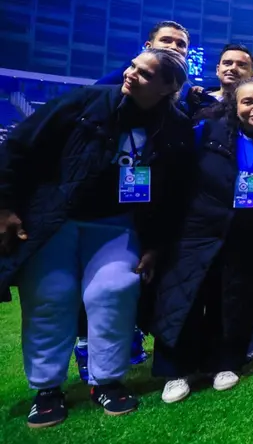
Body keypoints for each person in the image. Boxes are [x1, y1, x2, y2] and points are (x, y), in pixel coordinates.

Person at [1, 48, 193, 428]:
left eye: (145, 73)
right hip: (57, 218)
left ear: (168, 87)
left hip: (118, 223)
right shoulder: (84, 102)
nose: (131, 73)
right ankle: (47, 389)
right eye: (133, 66)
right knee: (51, 294)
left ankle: (106, 381)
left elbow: (174, 192)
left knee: (114, 289)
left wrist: (156, 244)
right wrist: (4, 206)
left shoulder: (175, 127)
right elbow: (19, 146)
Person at [149, 79, 253, 404]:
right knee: (185, 297)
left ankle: (225, 362)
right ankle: (177, 370)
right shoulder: (207, 131)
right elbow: (178, 175)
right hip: (198, 229)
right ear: (235, 106)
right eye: (248, 102)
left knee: (233, 298)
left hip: (246, 234)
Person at [94, 21, 216, 118]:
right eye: (165, 40)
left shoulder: (188, 89)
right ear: (148, 46)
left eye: (181, 44)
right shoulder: (123, 77)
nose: (173, 47)